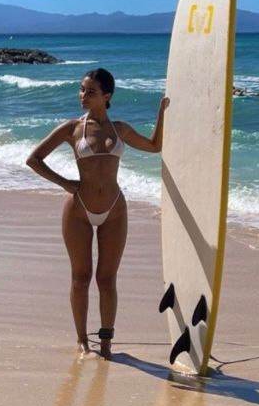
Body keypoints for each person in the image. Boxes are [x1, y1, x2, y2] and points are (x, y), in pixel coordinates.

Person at [26, 69, 169, 359]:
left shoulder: (121, 130)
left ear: (107, 97)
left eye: (90, 92)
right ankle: (81, 340)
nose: (83, 96)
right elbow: (34, 159)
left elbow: (155, 147)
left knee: (107, 279)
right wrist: (66, 183)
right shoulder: (72, 129)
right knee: (81, 277)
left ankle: (106, 343)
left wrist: (161, 113)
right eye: (81, 90)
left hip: (115, 211)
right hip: (78, 211)